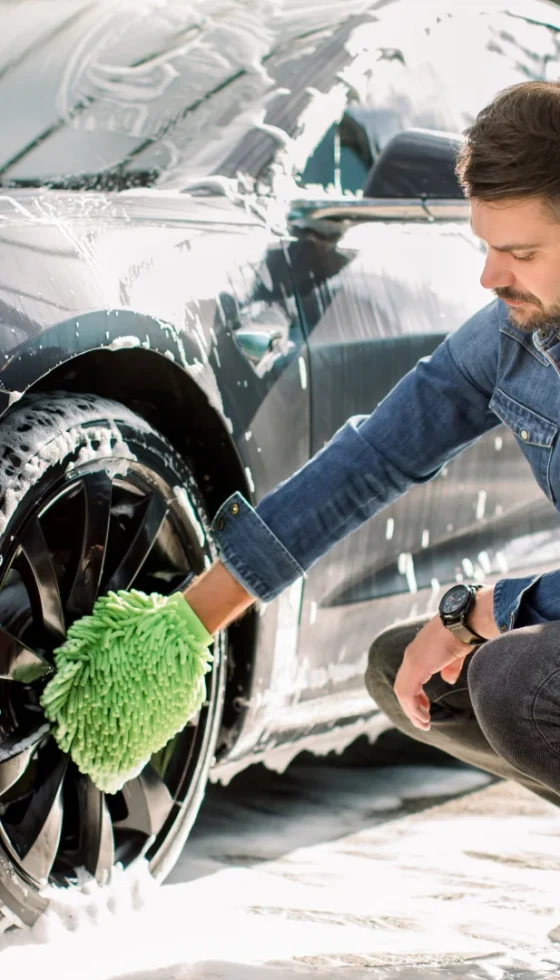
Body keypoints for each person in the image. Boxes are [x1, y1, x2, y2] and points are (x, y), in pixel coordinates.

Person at [184, 80, 560, 810]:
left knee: (517, 683)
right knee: (412, 671)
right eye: (484, 245)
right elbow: (375, 456)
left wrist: (479, 611)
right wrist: (188, 620)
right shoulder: (514, 338)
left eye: (518, 251)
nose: (489, 276)